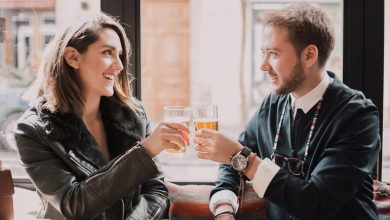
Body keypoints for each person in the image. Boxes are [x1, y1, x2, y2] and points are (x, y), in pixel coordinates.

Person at [194, 2, 380, 220]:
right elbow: (233, 161)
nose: (263, 65)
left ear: (309, 55)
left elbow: (316, 203)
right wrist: (224, 208)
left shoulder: (357, 116)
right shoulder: (271, 105)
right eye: (263, 53)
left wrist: (245, 159)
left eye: (273, 53)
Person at [14, 13, 189, 220]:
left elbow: (156, 191)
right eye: (108, 52)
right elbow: (75, 205)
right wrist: (145, 151)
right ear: (73, 57)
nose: (120, 66)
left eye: (120, 55)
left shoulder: (134, 115)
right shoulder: (33, 130)